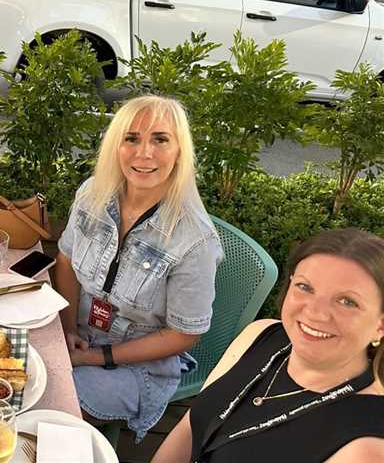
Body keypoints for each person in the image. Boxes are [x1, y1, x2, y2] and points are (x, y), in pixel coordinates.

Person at [55, 95, 222, 440]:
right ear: (116, 146)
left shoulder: (195, 239)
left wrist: (97, 357)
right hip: (78, 333)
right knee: (14, 370)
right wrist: (69, 329)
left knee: (55, 403)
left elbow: (184, 334)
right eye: (132, 138)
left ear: (179, 152)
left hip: (139, 364)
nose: (144, 153)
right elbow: (67, 261)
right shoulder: (92, 194)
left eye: (160, 139)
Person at [153, 228, 384, 463]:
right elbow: (190, 428)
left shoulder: (367, 447)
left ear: (380, 324)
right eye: (305, 287)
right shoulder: (260, 334)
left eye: (347, 302)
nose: (316, 312)